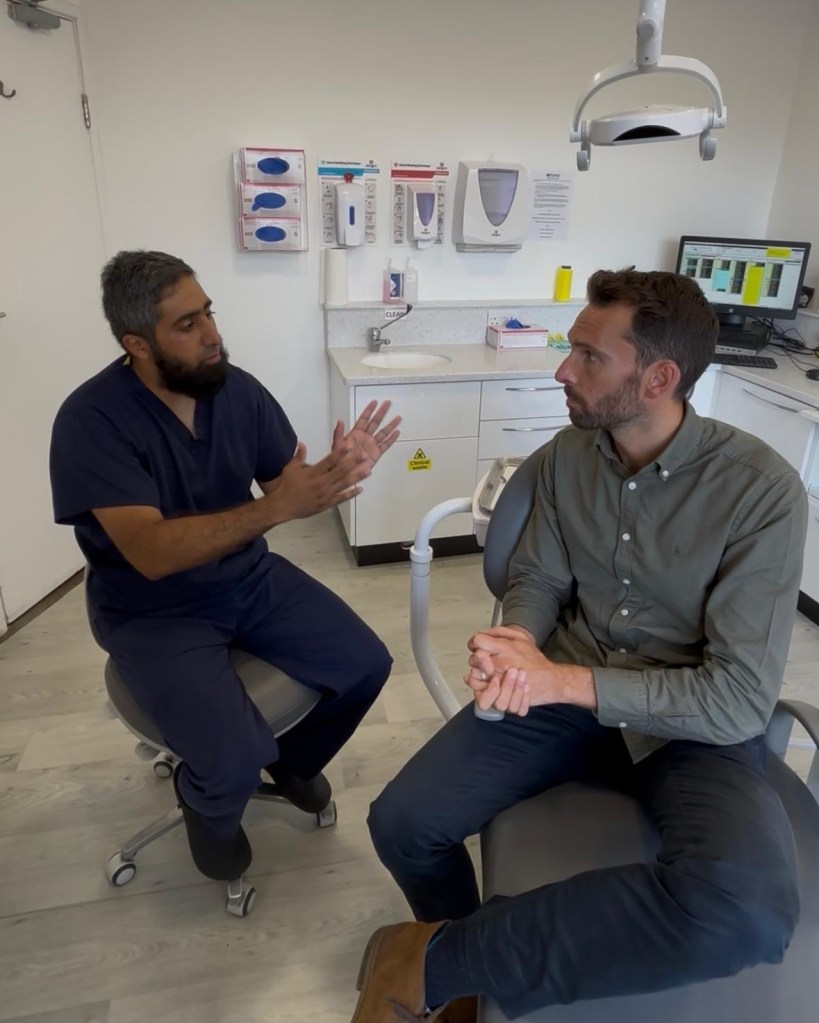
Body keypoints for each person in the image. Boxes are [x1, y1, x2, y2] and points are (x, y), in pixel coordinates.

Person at [355, 269, 808, 1023]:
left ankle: (438, 962)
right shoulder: (570, 455)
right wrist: (516, 638)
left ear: (658, 378)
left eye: (589, 356)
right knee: (401, 825)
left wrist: (557, 680)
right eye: (570, 349)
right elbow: (539, 575)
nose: (563, 370)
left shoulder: (759, 491)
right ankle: (458, 976)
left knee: (748, 912)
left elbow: (734, 700)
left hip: (689, 725)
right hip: (564, 690)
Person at [50, 250, 399, 880]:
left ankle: (292, 763)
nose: (212, 334)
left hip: (246, 578)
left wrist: (335, 471)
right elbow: (151, 553)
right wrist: (277, 507)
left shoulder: (236, 390)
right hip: (150, 610)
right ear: (137, 344)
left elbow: (286, 485)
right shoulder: (90, 422)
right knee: (234, 756)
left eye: (208, 313)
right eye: (187, 324)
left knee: (365, 664)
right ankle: (205, 804)